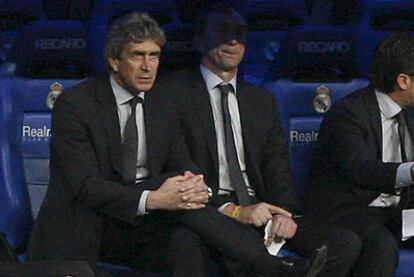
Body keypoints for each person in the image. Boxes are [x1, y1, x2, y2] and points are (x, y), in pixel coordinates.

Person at [27, 11, 327, 277]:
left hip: (140, 225)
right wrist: (156, 199)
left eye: (154, 56)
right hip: (89, 225)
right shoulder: (76, 105)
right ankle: (272, 267)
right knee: (173, 197)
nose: (148, 67)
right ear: (114, 60)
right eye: (137, 55)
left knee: (189, 236)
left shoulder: (163, 101)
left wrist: (195, 187)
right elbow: (85, 186)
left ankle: (269, 266)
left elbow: (183, 165)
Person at [166, 5, 359, 277]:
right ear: (199, 41)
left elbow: (276, 164)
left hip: (262, 210)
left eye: (239, 34)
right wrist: (232, 209)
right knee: (207, 243)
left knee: (343, 244)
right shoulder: (171, 94)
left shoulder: (261, 99)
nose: (232, 41)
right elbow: (176, 165)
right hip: (210, 210)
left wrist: (285, 213)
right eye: (222, 33)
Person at [306, 32, 414, 276]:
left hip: (400, 212)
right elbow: (360, 169)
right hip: (352, 211)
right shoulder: (347, 114)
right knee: (382, 246)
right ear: (403, 80)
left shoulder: (411, 111)